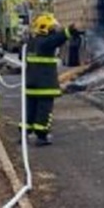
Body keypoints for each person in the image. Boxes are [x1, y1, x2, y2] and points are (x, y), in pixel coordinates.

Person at [21, 13, 81, 145]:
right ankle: (41, 137)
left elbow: (22, 57)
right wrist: (69, 30)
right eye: (52, 28)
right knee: (43, 112)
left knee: (29, 111)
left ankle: (24, 135)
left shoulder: (30, 43)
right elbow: (58, 39)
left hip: (31, 85)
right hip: (44, 85)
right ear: (45, 28)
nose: (54, 30)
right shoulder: (46, 42)